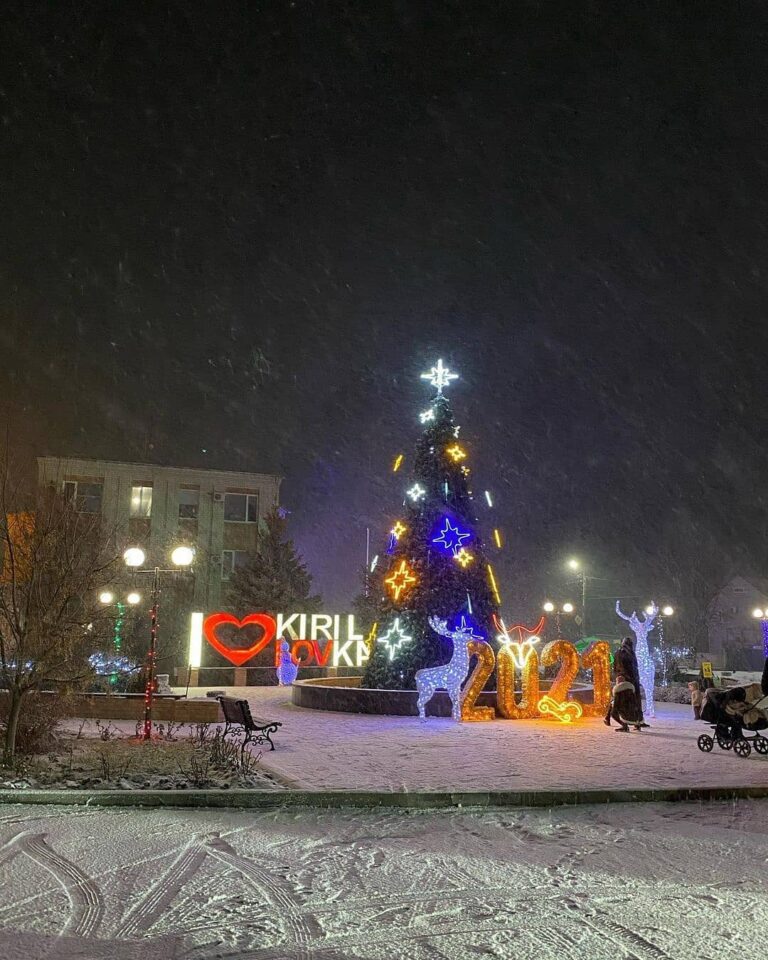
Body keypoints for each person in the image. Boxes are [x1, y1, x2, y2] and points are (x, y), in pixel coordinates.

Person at [604, 637, 649, 732]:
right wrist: (620, 677)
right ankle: (612, 719)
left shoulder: (631, 653)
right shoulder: (621, 653)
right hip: (626, 680)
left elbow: (634, 667)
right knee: (621, 701)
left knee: (632, 701)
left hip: (633, 680)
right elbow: (618, 667)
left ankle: (637, 721)